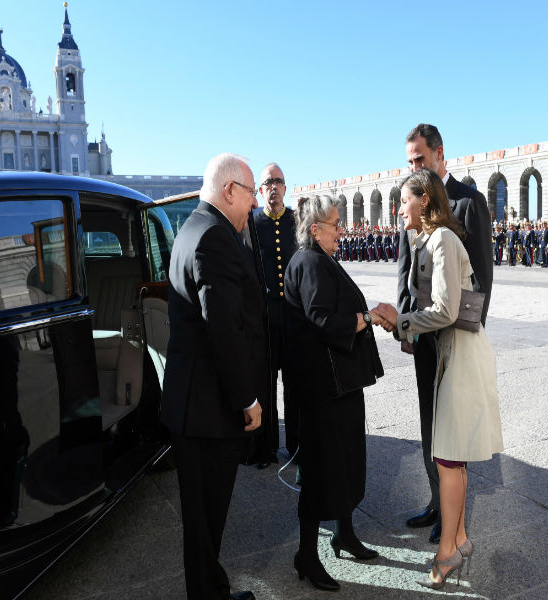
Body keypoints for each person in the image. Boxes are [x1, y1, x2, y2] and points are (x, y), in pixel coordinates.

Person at [373, 169, 502, 589]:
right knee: (453, 457)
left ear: (425, 200)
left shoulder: (443, 239)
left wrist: (400, 321)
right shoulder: (430, 238)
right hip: (453, 351)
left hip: (461, 353)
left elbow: (447, 311)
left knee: (447, 457)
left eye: (404, 200)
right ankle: (459, 539)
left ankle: (447, 551)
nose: (398, 209)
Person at [161, 153, 266, 600]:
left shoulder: (191, 230)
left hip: (192, 406)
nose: (254, 205)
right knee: (207, 518)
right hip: (208, 411)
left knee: (202, 522)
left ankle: (212, 590)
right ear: (229, 191)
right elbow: (223, 329)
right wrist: (248, 399)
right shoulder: (215, 239)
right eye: (250, 195)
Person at [396, 123, 493, 544]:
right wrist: (404, 323)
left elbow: (483, 278)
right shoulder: (412, 204)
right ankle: (436, 501)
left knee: (451, 428)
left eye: (420, 158)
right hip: (422, 336)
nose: (415, 166)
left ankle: (453, 518)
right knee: (428, 423)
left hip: (451, 333)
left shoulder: (468, 203)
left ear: (440, 154)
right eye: (410, 161)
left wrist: (467, 335)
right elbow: (403, 272)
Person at [284, 195, 385, 592]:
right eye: (336, 225)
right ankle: (306, 554)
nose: (341, 231)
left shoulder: (320, 259)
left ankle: (344, 533)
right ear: (315, 230)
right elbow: (323, 319)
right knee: (320, 468)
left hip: (339, 384)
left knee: (345, 461)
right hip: (322, 389)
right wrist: (369, 316)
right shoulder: (309, 262)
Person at [252, 162, 298, 468]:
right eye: (268, 182)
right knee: (265, 384)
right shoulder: (251, 222)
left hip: (293, 314)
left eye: (278, 181)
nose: (273, 187)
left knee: (295, 383)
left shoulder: (297, 220)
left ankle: (296, 446)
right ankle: (265, 449)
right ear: (260, 189)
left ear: (285, 187)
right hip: (265, 314)